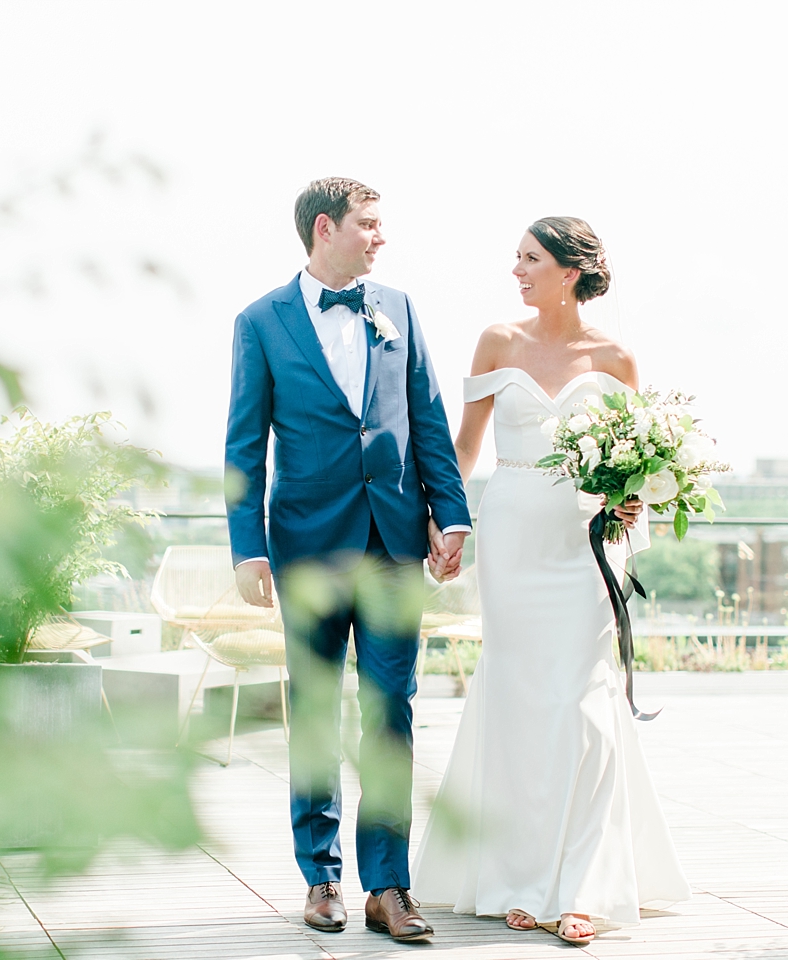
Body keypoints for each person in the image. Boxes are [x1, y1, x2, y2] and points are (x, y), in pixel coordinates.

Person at [411, 217, 690, 946]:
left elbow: (640, 464)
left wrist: (635, 500)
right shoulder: (497, 341)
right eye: (517, 259)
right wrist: (447, 528)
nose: (517, 271)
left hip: (588, 546)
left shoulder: (617, 356)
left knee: (583, 703)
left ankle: (585, 886)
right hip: (513, 541)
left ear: (570, 271)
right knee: (521, 698)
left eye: (529, 259)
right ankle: (518, 877)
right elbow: (461, 449)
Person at [225, 177, 470, 943]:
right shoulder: (260, 322)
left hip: (394, 543)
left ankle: (388, 885)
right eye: (369, 224)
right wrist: (247, 548)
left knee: (391, 709)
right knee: (317, 714)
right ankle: (321, 877)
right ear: (325, 228)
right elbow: (243, 444)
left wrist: (452, 513)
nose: (380, 237)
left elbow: (428, 415)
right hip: (305, 550)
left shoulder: (397, 309)